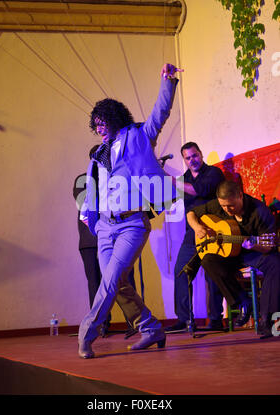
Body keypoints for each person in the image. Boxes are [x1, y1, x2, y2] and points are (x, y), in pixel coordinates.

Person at [77, 63, 182, 358]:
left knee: (109, 280)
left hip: (132, 224)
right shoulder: (97, 155)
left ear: (114, 118)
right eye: (94, 123)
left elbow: (159, 115)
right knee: (119, 284)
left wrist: (168, 81)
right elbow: (92, 190)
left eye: (102, 121)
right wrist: (93, 221)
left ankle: (88, 332)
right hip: (105, 229)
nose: (98, 127)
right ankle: (150, 328)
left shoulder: (138, 136)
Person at [187, 180, 280, 337]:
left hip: (254, 252)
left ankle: (267, 321)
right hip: (230, 253)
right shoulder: (218, 204)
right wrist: (198, 227)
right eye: (223, 206)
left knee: (276, 264)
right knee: (208, 259)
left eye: (230, 205)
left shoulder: (259, 211)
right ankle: (243, 302)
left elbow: (269, 245)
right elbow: (191, 214)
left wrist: (254, 245)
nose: (227, 209)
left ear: (240, 196)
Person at [73, 147, 137, 338]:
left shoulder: (118, 177)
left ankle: (133, 323)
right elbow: (86, 203)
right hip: (90, 240)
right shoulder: (82, 180)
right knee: (95, 283)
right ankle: (101, 326)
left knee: (123, 279)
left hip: (117, 236)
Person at [165, 142, 225, 333]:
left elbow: (199, 190)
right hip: (192, 234)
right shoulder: (184, 179)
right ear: (184, 160)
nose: (192, 160)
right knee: (181, 271)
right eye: (188, 158)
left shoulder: (214, 174)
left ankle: (215, 320)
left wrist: (172, 181)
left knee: (212, 275)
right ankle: (184, 319)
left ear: (201, 154)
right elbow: (169, 198)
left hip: (213, 232)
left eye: (195, 155)